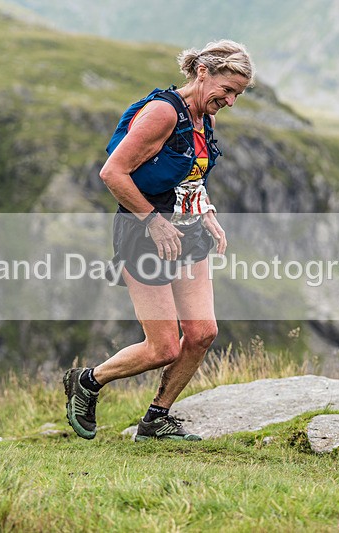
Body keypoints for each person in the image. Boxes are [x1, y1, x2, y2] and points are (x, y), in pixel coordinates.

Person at [63, 40, 255, 441]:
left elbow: (192, 176)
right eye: (229, 89)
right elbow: (112, 173)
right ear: (203, 71)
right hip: (144, 234)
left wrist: (206, 212)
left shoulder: (207, 120)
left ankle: (156, 419)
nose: (232, 101)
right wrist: (152, 221)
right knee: (163, 347)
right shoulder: (162, 113)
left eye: (239, 94)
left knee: (202, 333)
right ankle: (87, 381)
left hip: (188, 232)